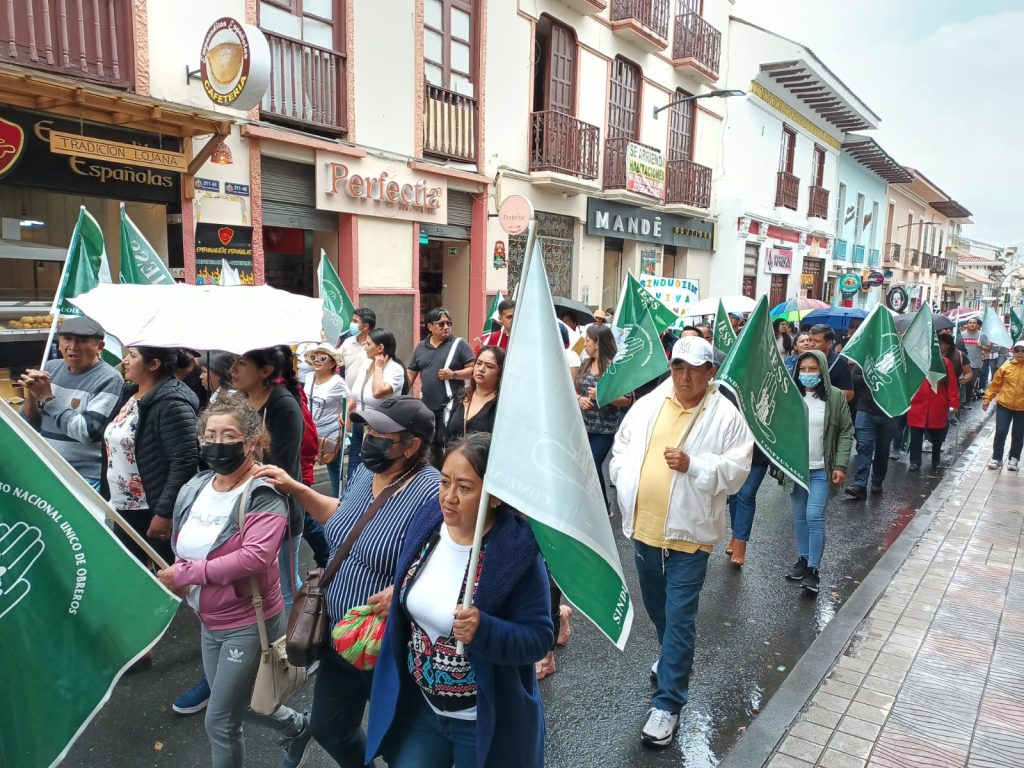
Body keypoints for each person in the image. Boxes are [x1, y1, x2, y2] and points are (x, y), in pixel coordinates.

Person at [254, 395, 440, 767]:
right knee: (329, 728)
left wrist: (406, 588)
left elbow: (445, 560)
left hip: (383, 644)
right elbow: (343, 519)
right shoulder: (366, 473)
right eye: (367, 430)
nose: (367, 438)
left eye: (379, 434)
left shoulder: (431, 492)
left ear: (412, 444)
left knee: (396, 741)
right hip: (336, 637)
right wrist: (297, 488)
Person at [365, 433, 552, 768]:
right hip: (422, 710)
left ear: (494, 496)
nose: (448, 497)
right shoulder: (426, 523)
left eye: (464, 488)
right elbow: (413, 581)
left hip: (482, 720)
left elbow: (538, 638)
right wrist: (400, 593)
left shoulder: (517, 551)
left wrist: (484, 630)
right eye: (445, 481)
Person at [609, 336, 753, 748]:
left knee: (680, 616)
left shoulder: (725, 416)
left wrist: (696, 466)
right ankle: (671, 657)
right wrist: (621, 477)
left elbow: (738, 470)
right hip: (643, 530)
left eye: (693, 368)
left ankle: (668, 703)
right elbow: (621, 446)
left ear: (711, 372)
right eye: (677, 366)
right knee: (660, 611)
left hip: (690, 537)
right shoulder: (650, 403)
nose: (684, 376)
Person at [155, 396, 313, 768]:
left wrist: (186, 574)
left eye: (229, 435)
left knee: (220, 720)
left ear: (252, 441)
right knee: (237, 705)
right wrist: (178, 570)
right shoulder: (196, 486)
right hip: (208, 619)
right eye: (210, 434)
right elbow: (183, 544)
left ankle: (298, 727)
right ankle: (298, 726)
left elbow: (254, 557)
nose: (217, 443)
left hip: (248, 621)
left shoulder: (263, 491)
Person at [103, 346, 200, 571]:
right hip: (125, 505)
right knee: (132, 574)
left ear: (154, 364)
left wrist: (164, 513)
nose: (125, 360)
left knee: (166, 577)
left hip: (152, 507)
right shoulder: (132, 394)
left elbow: (184, 460)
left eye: (132, 356)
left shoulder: (172, 403)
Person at [19, 316, 124, 490]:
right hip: (47, 470)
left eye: (82, 341)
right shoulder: (50, 368)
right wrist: (30, 396)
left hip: (83, 478)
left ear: (99, 347)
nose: (73, 347)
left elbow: (85, 432)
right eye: (67, 339)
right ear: (58, 343)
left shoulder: (109, 379)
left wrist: (47, 398)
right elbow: (29, 425)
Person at [785, 350, 854, 593]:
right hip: (797, 470)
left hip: (821, 470)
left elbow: (846, 432)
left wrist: (840, 465)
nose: (807, 374)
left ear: (822, 370)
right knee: (799, 516)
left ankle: (814, 569)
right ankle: (803, 560)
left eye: (812, 369)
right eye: (802, 369)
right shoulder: (791, 396)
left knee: (814, 515)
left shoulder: (835, 398)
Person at [575, 324, 631, 510]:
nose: (584, 344)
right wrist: (580, 399)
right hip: (582, 427)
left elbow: (628, 399)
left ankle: (601, 509)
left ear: (598, 343)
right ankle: (592, 505)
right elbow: (574, 390)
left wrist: (602, 396)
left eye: (588, 341)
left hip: (604, 430)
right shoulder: (584, 364)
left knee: (592, 463)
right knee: (584, 466)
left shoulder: (614, 368)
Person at [408, 307, 476, 459]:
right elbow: (411, 374)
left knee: (448, 443)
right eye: (441, 323)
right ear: (430, 326)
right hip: (427, 407)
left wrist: (453, 374)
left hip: (451, 405)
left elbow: (473, 370)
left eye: (448, 323)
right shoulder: (421, 347)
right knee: (430, 445)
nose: (446, 327)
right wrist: (401, 394)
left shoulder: (459, 344)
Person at [347, 328, 408, 479]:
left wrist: (379, 368)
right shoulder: (366, 364)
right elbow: (356, 392)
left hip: (379, 427)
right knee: (354, 469)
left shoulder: (395, 369)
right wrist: (348, 412)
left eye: (368, 344)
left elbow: (377, 392)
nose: (365, 347)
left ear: (380, 347)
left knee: (371, 471)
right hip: (359, 422)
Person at [845, 358, 901, 500]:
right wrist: (872, 376)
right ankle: (860, 484)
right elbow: (854, 379)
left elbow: (906, 384)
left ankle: (877, 481)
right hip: (866, 410)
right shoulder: (867, 357)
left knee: (882, 449)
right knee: (864, 446)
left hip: (889, 412)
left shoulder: (900, 359)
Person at [302, 343, 350, 497]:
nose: (317, 360)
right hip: (309, 430)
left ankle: (338, 503)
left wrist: (345, 413)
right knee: (305, 467)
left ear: (331, 364)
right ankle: (306, 502)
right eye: (314, 357)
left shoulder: (337, 382)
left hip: (330, 432)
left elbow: (350, 400)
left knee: (334, 469)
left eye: (323, 357)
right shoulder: (309, 377)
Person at [907, 350, 959, 472]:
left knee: (937, 434)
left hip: (937, 403)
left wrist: (954, 403)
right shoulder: (914, 361)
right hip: (917, 403)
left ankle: (936, 454)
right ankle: (914, 461)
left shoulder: (944, 363)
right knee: (915, 434)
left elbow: (951, 384)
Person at [445, 346, 503, 444]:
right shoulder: (461, 396)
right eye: (479, 363)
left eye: (489, 366)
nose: (481, 369)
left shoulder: (501, 404)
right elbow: (448, 436)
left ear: (500, 372)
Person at [983, 341, 1024, 471]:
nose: (1020, 353)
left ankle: (1014, 459)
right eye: (1017, 350)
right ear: (1013, 351)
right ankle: (997, 458)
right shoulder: (1005, 367)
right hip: (1004, 405)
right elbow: (995, 384)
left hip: (1022, 408)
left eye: (1023, 350)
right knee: (1001, 431)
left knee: (1018, 434)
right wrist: (987, 399)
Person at [807, 324, 854, 402]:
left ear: (829, 343)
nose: (811, 344)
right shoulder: (803, 359)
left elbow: (849, 394)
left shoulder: (839, 362)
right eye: (810, 340)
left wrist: (827, 394)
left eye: (817, 341)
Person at [339, 307, 376, 392]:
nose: (351, 324)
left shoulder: (375, 345)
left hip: (367, 397)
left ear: (366, 326)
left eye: (355, 321)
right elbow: (336, 360)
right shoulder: (348, 342)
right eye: (352, 320)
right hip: (348, 394)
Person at [938, 332, 972, 414]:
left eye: (940, 344)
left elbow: (969, 373)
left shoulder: (960, 355)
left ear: (948, 345)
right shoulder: (931, 355)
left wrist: (965, 378)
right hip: (936, 390)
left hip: (953, 390)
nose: (938, 346)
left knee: (950, 413)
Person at [960, 318, 989, 401]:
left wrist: (981, 347)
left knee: (971, 384)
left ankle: (967, 399)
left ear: (977, 325)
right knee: (962, 382)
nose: (972, 324)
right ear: (967, 324)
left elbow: (988, 349)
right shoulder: (961, 335)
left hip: (975, 364)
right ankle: (962, 402)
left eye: (974, 323)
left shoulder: (982, 335)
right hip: (962, 363)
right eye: (970, 323)